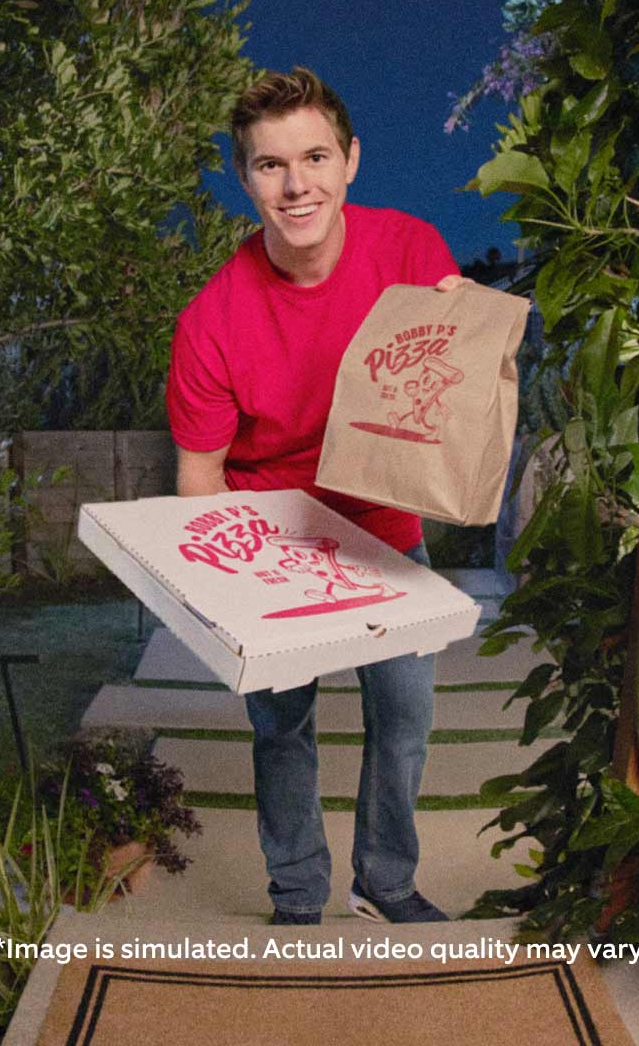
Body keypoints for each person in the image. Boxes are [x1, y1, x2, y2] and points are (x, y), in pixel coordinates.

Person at [166, 67, 465, 925]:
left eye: (315, 158)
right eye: (270, 166)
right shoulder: (211, 321)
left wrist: (467, 330)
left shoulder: (409, 251)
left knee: (404, 721)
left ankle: (387, 882)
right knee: (282, 730)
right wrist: (228, 597)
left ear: (351, 161)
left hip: (384, 527)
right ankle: (297, 889)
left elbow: (452, 381)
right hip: (271, 539)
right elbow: (200, 478)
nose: (297, 185)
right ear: (244, 176)